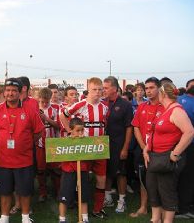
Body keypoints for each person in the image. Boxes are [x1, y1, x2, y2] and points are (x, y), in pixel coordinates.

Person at [0, 78, 44, 223]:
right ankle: (4, 218)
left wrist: (25, 143)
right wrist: (1, 146)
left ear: (20, 93)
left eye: (14, 90)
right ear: (4, 92)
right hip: (3, 160)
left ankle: (25, 217)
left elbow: (38, 131)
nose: (10, 93)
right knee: (5, 191)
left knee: (25, 191)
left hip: (24, 160)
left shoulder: (30, 110)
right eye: (7, 90)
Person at [143, 82, 194, 223]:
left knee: (166, 191)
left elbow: (189, 132)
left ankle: (167, 221)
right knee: (153, 189)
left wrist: (175, 153)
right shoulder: (166, 109)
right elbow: (156, 132)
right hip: (155, 156)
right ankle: (155, 219)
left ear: (163, 94)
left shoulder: (177, 110)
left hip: (166, 157)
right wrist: (147, 148)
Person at [60, 77, 109, 220]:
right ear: (88, 90)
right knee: (80, 178)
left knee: (101, 178)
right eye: (95, 89)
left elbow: (104, 125)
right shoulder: (80, 104)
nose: (98, 92)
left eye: (100, 89)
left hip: (99, 148)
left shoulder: (104, 107)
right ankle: (75, 204)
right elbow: (63, 115)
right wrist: (70, 131)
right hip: (84, 148)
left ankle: (97, 208)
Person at [130, 77, 164, 218]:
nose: (148, 91)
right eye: (147, 88)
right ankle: (143, 207)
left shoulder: (166, 106)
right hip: (142, 149)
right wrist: (144, 147)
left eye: (152, 88)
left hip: (160, 151)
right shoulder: (142, 106)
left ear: (159, 88)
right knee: (143, 179)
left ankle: (161, 211)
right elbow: (136, 127)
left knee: (161, 181)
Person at [103, 76, 133, 213]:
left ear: (114, 89)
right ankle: (107, 197)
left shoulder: (125, 105)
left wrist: (125, 147)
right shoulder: (102, 103)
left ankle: (122, 200)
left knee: (120, 172)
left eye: (106, 88)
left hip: (119, 144)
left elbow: (129, 127)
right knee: (106, 171)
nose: (103, 90)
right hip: (104, 144)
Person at [58, 118, 88, 223]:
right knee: (65, 195)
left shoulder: (86, 141)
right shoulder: (65, 141)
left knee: (83, 195)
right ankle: (62, 218)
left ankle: (84, 218)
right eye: (77, 130)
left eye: (82, 130)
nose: (80, 133)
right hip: (68, 171)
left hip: (82, 169)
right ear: (71, 130)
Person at [36, 87, 60, 202]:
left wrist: (46, 119)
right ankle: (42, 192)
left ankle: (58, 191)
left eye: (47, 102)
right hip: (40, 144)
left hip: (53, 143)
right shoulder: (34, 109)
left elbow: (58, 126)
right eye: (42, 102)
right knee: (41, 170)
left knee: (55, 170)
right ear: (39, 99)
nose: (45, 104)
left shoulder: (55, 109)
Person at [176, 78, 194, 219]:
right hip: (189, 144)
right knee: (187, 177)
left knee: (181, 176)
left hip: (177, 144)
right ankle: (184, 208)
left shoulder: (177, 100)